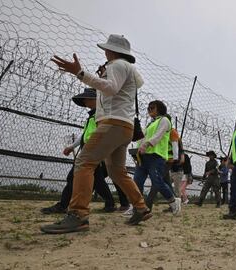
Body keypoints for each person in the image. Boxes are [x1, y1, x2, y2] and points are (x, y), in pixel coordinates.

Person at [42, 34, 152, 234]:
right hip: (124, 126)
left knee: (84, 162)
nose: (104, 52)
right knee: (116, 171)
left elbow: (111, 88)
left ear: (112, 51)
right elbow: (117, 88)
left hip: (113, 123)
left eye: (106, 49)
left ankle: (78, 214)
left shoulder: (117, 65)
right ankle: (140, 206)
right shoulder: (127, 68)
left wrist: (80, 73)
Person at [41, 88, 116, 215]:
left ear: (95, 99)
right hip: (88, 149)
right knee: (97, 179)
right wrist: (72, 146)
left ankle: (63, 205)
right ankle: (110, 203)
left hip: (93, 150)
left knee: (73, 176)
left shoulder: (101, 115)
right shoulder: (92, 116)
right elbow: (84, 135)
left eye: (87, 98)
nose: (85, 101)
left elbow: (105, 134)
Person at [134, 100, 182, 215]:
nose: (150, 110)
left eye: (152, 108)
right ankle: (136, 206)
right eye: (148, 108)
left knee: (157, 181)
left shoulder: (164, 120)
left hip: (157, 156)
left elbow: (158, 135)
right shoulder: (151, 124)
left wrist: (146, 144)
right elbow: (143, 137)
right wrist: (137, 148)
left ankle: (173, 202)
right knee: (137, 181)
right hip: (144, 156)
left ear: (159, 109)